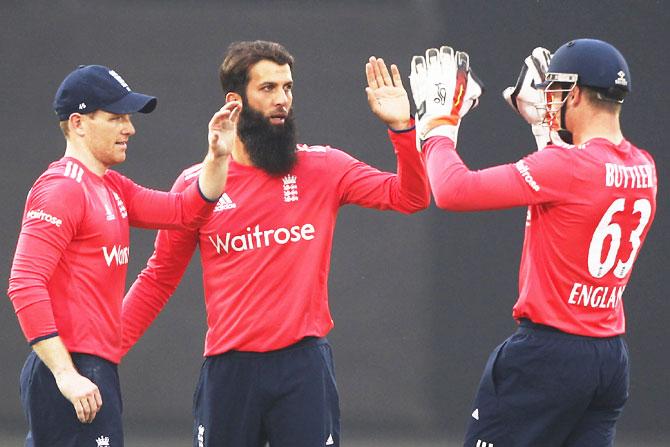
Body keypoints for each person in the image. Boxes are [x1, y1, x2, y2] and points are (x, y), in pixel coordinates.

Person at [121, 40, 429, 447]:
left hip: (303, 367)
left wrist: (402, 129)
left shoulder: (323, 167)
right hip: (230, 371)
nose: (282, 99)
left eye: (287, 88)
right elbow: (158, 277)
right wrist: (102, 351)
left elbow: (411, 197)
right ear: (236, 101)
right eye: (267, 89)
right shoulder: (200, 184)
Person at [408, 40, 657, 446]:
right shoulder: (644, 166)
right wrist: (546, 131)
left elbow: (453, 190)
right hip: (609, 357)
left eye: (556, 91)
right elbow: (578, 191)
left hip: (548, 354)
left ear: (574, 94)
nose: (549, 101)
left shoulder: (566, 167)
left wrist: (437, 127)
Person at [7, 64, 239, 447]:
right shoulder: (63, 189)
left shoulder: (110, 185)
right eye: (116, 118)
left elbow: (185, 211)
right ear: (78, 123)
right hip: (69, 369)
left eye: (128, 118)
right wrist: (65, 374)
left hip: (93, 367)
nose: (129, 129)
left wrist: (217, 155)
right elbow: (24, 282)